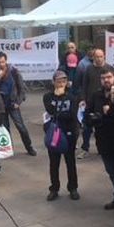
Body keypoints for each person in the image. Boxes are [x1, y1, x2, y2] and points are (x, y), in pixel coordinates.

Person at [85, 65, 114, 210]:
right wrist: (96, 118)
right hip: (103, 141)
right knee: (112, 172)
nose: (106, 80)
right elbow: (87, 116)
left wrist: (111, 111)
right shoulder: (96, 95)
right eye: (103, 78)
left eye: (109, 77)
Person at [43, 70, 80, 201]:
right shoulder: (48, 97)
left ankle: (73, 187)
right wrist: (57, 98)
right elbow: (50, 111)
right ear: (53, 82)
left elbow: (71, 115)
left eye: (63, 81)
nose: (61, 84)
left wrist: (62, 100)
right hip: (54, 132)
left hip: (69, 132)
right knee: (54, 162)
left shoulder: (72, 97)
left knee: (70, 161)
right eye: (58, 81)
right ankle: (54, 188)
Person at [0, 51, 36, 156]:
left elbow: (22, 88)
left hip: (13, 104)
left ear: (6, 60)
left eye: (2, 62)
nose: (1, 64)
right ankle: (7, 149)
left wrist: (18, 101)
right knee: (5, 128)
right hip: (1, 106)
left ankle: (29, 147)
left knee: (21, 127)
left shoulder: (14, 71)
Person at [77, 48, 107, 159]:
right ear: (93, 57)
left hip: (103, 103)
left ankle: (101, 149)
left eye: (101, 56)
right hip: (90, 103)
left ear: (104, 56)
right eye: (97, 56)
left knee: (102, 128)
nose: (99, 59)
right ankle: (85, 149)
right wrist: (82, 99)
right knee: (86, 128)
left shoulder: (109, 68)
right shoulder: (88, 69)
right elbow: (83, 86)